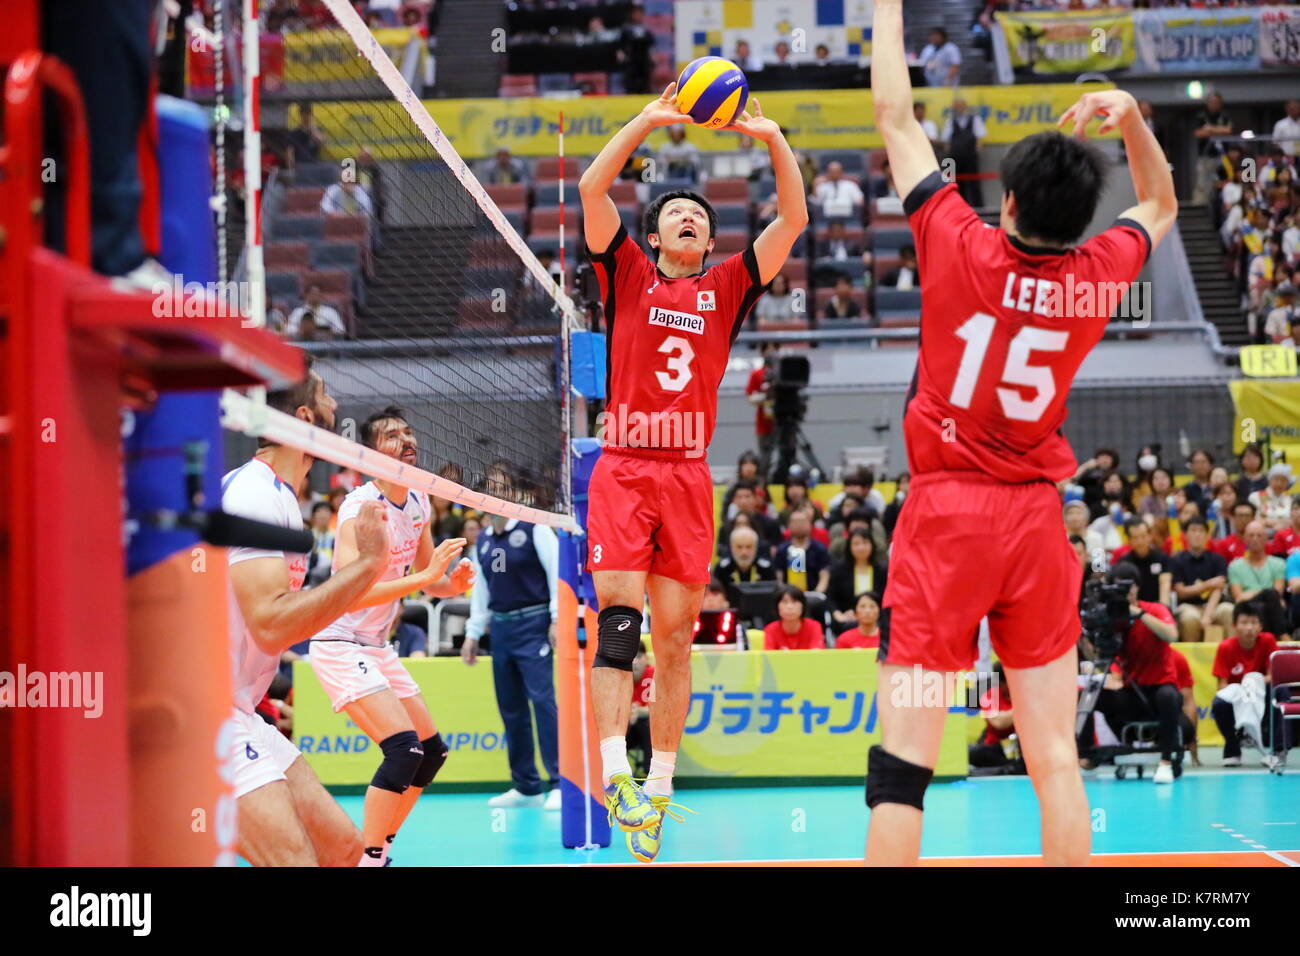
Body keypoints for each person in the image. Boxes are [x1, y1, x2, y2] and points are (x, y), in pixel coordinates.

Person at [865, 0, 1177, 867]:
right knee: (1055, 758)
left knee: (902, 768)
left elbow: (894, 112)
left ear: (1003, 201)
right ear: (1080, 220)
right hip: (1037, 527)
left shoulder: (956, 239)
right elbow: (1159, 199)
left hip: (947, 522)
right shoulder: (1098, 271)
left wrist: (886, 9)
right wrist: (1134, 118)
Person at [578, 81, 806, 862]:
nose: (691, 217)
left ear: (709, 244)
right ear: (657, 233)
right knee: (618, 626)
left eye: (702, 218)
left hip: (685, 476)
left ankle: (660, 792)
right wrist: (650, 118)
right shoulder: (629, 273)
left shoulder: (730, 285)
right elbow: (590, 187)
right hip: (625, 465)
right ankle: (616, 778)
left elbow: (794, 220)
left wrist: (771, 138)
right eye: (679, 212)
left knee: (674, 644)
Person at [223, 363, 384, 866]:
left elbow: (289, 614)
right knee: (295, 860)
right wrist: (369, 566)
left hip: (240, 709)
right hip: (200, 712)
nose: (337, 407)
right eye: (327, 396)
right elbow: (272, 625)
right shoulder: (252, 492)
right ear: (305, 417)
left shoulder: (281, 497)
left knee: (345, 850)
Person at [307, 406, 474, 866]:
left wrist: (448, 584)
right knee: (404, 749)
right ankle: (370, 857)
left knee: (431, 753)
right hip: (339, 642)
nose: (404, 440)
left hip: (377, 646)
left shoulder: (419, 498)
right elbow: (348, 595)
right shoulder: (359, 509)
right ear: (370, 453)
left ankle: (379, 851)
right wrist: (428, 576)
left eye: (407, 432)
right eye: (390, 436)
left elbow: (425, 578)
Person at [463, 502, 562, 811]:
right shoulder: (484, 539)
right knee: (511, 708)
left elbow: (556, 573)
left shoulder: (536, 528)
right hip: (501, 629)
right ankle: (526, 786)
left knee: (543, 702)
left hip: (534, 623)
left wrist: (557, 618)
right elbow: (481, 588)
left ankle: (560, 783)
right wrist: (473, 632)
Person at [1088, 564, 1184, 783]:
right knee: (1089, 695)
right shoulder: (1111, 619)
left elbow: (1171, 635)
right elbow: (1100, 658)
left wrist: (1138, 614)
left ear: (1136, 589)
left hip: (1161, 688)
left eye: (1128, 587)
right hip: (1132, 692)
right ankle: (1087, 757)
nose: (1125, 593)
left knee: (1169, 696)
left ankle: (1165, 763)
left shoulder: (1154, 609)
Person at [1211, 603, 1280, 767]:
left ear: (1260, 626)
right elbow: (1222, 685)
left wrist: (1254, 683)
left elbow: (1274, 675)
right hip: (1237, 696)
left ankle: (1276, 750)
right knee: (1219, 703)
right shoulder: (1225, 647)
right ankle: (1233, 747)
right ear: (1234, 626)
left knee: (1281, 693)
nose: (1249, 627)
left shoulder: (1268, 641)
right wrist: (1242, 694)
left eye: (1254, 622)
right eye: (1244, 622)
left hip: (1261, 692)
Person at [1170, 518, 1232, 643]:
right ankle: (1190, 661)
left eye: (1201, 531)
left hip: (1214, 606)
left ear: (1207, 535)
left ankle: (1233, 656)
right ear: (1185, 535)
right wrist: (1209, 584)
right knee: (1189, 618)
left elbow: (1218, 588)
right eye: (1193, 530)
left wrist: (1207, 615)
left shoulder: (1217, 559)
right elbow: (1181, 591)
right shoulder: (1176, 560)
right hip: (1188, 606)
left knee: (1228, 610)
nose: (1197, 534)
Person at [828, 530, 887, 634]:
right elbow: (831, 598)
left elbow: (886, 598)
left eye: (865, 543)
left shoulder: (882, 570)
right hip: (848, 617)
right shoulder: (838, 570)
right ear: (849, 547)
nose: (861, 547)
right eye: (856, 544)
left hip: (876, 617)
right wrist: (838, 614)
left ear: (872, 545)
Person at [1111, 518, 1172, 606]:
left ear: (1150, 536)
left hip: (1157, 606)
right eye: (1135, 538)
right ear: (1129, 540)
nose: (1140, 542)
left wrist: (1163, 608)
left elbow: (1165, 585)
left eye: (1143, 536)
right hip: (1134, 608)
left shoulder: (1162, 558)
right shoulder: (1123, 562)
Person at [941, 98, 987, 207]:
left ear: (966, 106)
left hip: (970, 156)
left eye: (961, 105)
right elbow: (946, 140)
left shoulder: (975, 119)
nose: (958, 108)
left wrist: (977, 149)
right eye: (956, 106)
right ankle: (959, 206)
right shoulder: (950, 121)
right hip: (955, 157)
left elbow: (980, 137)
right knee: (956, 183)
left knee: (974, 183)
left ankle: (978, 207)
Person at [775, 506, 831, 595]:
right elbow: (779, 578)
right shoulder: (782, 550)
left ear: (810, 524)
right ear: (788, 525)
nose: (799, 525)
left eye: (802, 521)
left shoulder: (819, 549)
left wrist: (816, 595)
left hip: (813, 595)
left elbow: (824, 576)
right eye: (795, 522)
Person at [746, 342, 778, 475]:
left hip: (782, 419)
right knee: (765, 455)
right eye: (768, 350)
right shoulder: (757, 374)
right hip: (764, 421)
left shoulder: (782, 373)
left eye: (774, 350)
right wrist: (765, 397)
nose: (771, 353)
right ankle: (763, 481)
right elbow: (750, 397)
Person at [762, 584, 826, 649]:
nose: (790, 606)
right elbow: (767, 656)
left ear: (803, 606)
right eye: (785, 602)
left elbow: (818, 653)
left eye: (794, 602)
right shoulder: (770, 629)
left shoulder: (814, 627)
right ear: (777, 607)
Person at [712, 525, 776, 588]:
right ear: (731, 547)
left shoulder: (766, 568)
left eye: (749, 547)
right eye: (739, 547)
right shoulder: (722, 569)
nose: (744, 552)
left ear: (756, 547)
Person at [1249, 462, 1295, 531]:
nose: (1279, 483)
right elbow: (1251, 519)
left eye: (1283, 480)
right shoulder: (1255, 497)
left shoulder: (1290, 500)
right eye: (1276, 479)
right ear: (1269, 479)